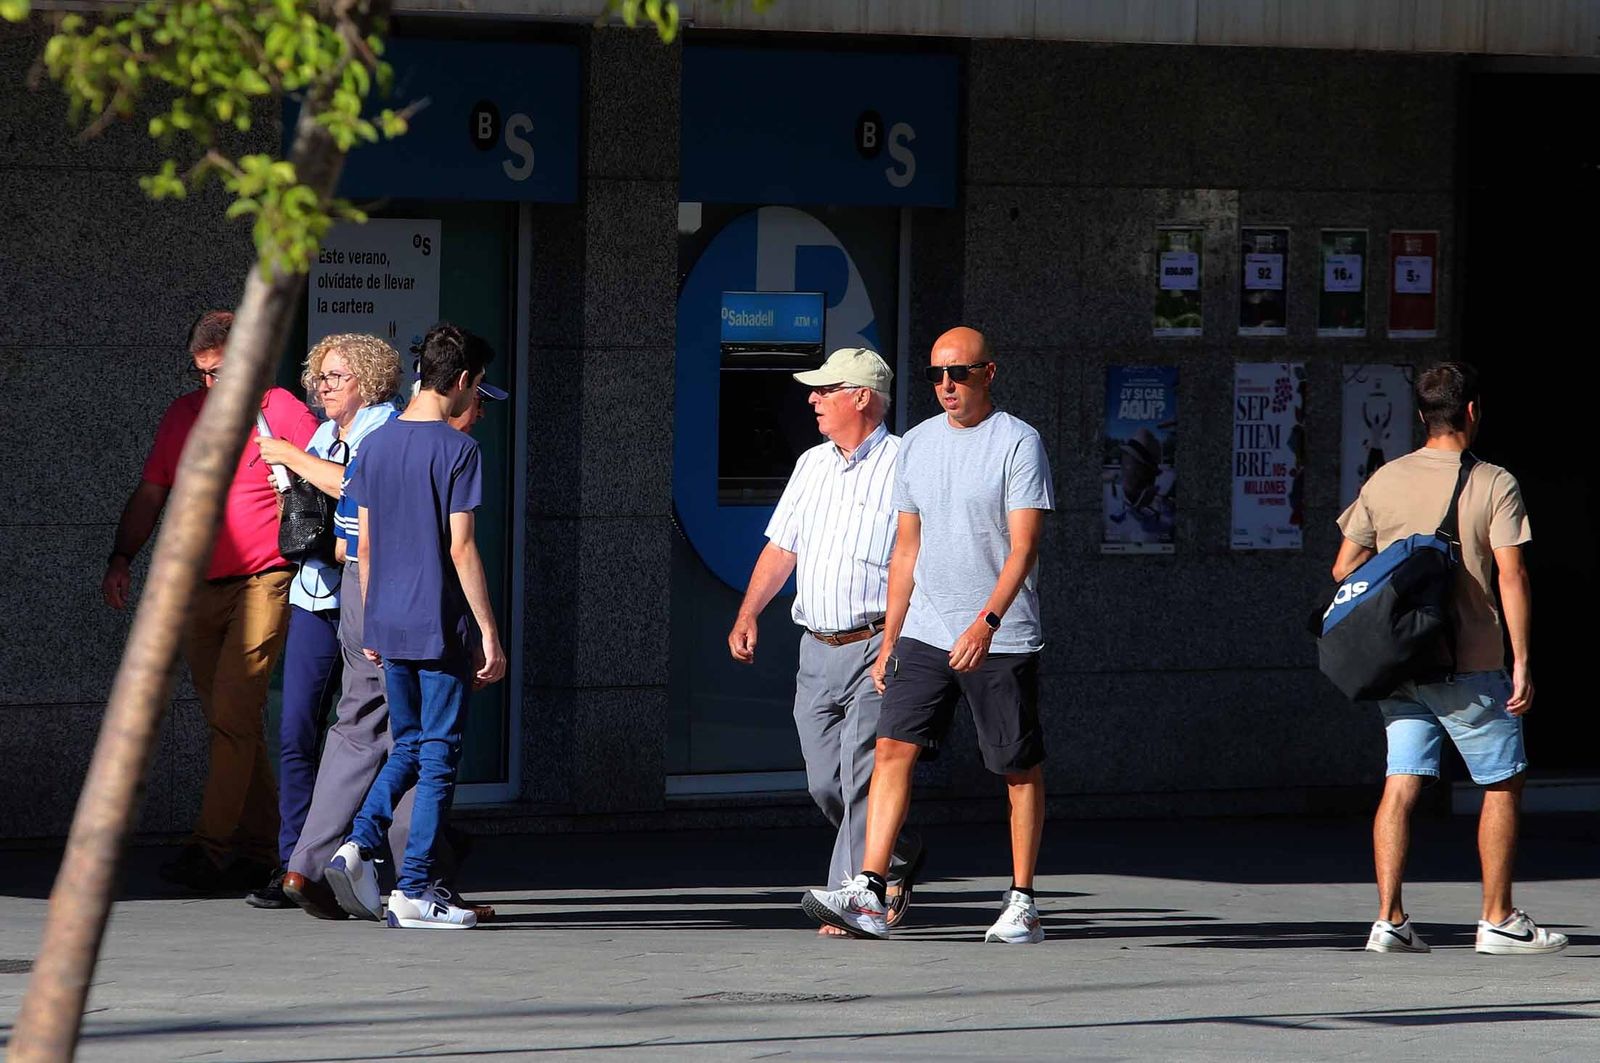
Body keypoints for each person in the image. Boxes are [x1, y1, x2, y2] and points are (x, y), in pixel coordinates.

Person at [803, 326, 1054, 943]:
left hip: (999, 633)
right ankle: (868, 889)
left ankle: (1022, 900)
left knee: (1015, 767)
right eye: (937, 375)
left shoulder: (1018, 442)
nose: (947, 385)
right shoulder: (916, 445)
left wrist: (987, 621)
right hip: (923, 631)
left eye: (959, 373)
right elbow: (906, 551)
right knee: (892, 749)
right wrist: (890, 638)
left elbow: (1023, 547)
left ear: (987, 374)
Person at [1333, 362, 1566, 956]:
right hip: (1471, 661)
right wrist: (1522, 660)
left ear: (1420, 416)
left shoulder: (1384, 479)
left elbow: (1343, 569)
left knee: (1401, 783)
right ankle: (1498, 918)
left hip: (1402, 663)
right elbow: (1512, 575)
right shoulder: (1495, 482)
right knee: (1502, 783)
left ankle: (1389, 920)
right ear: (1471, 411)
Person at [102, 309, 319, 891]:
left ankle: (211, 848)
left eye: (222, 372)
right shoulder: (184, 415)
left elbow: (330, 476)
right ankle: (270, 843)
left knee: (231, 716)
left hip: (265, 579)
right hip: (198, 586)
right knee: (232, 721)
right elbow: (151, 493)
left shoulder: (280, 408)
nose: (211, 385)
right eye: (203, 373)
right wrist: (122, 557)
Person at [282, 362, 505, 921]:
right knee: (430, 746)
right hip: (418, 610)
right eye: (479, 400)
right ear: (457, 387)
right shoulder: (443, 453)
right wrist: (487, 632)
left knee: (376, 732)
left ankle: (325, 860)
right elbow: (455, 548)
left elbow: (349, 541)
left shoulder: (377, 443)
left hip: (374, 602)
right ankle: (413, 877)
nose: (480, 415)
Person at [727, 347, 924, 936]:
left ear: (860, 397)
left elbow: (912, 561)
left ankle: (852, 898)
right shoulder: (811, 464)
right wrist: (749, 611)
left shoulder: (906, 463)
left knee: (863, 773)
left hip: (876, 644)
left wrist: (895, 639)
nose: (811, 399)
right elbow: (782, 547)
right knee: (823, 781)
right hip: (816, 647)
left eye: (824, 389)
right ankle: (889, 854)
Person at [242, 334, 401, 909]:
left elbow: (357, 488)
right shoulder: (321, 432)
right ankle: (294, 862)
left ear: (368, 379)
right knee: (297, 728)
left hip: (363, 592)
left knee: (362, 730)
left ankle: (352, 855)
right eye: (319, 378)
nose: (323, 388)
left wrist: (290, 457)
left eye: (336, 377)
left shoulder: (384, 427)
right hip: (315, 591)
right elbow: (311, 494)